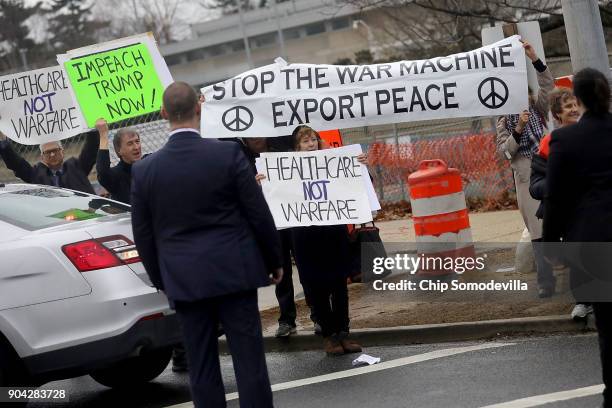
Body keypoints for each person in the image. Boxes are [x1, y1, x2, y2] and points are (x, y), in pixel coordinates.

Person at [131, 82, 282, 408]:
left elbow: (143, 236)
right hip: (235, 270)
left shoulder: (145, 170)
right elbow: (257, 213)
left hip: (184, 278)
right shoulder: (226, 153)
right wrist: (274, 260)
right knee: (250, 362)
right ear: (200, 107)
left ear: (162, 113)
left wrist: (163, 279)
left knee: (200, 365)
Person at [543, 68, 612, 407]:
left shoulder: (565, 141)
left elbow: (555, 197)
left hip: (593, 242)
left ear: (579, 100)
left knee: (608, 328)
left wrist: (551, 243)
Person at [287, 125, 362, 355]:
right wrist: (264, 181)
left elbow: (357, 182)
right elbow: (277, 194)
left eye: (313, 140)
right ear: (297, 147)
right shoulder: (287, 168)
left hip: (333, 233)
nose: (310, 145)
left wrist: (360, 164)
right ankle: (329, 336)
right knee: (317, 287)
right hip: (305, 237)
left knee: (340, 286)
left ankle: (343, 333)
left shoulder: (332, 162)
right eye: (305, 141)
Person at [496, 40, 555, 297]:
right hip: (526, 180)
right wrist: (518, 128)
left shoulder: (538, 109)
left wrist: (535, 59)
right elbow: (506, 152)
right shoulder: (504, 122)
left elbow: (549, 86)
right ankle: (546, 281)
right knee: (537, 232)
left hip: (548, 170)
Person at [528, 87, 592, 321]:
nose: (574, 109)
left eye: (575, 104)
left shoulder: (594, 135)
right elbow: (535, 186)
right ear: (557, 116)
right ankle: (584, 302)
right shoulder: (548, 145)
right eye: (568, 107)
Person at [0, 130, 99, 194]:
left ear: (62, 151)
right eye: (47, 152)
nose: (52, 154)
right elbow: (16, 164)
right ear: (42, 157)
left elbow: (91, 148)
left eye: (55, 150)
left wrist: (90, 127)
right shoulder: (35, 174)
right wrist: (2, 139)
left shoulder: (76, 167)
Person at [95, 119, 144, 204]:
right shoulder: (116, 176)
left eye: (137, 141)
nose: (136, 147)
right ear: (119, 151)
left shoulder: (150, 164)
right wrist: (103, 135)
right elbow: (103, 172)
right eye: (130, 144)